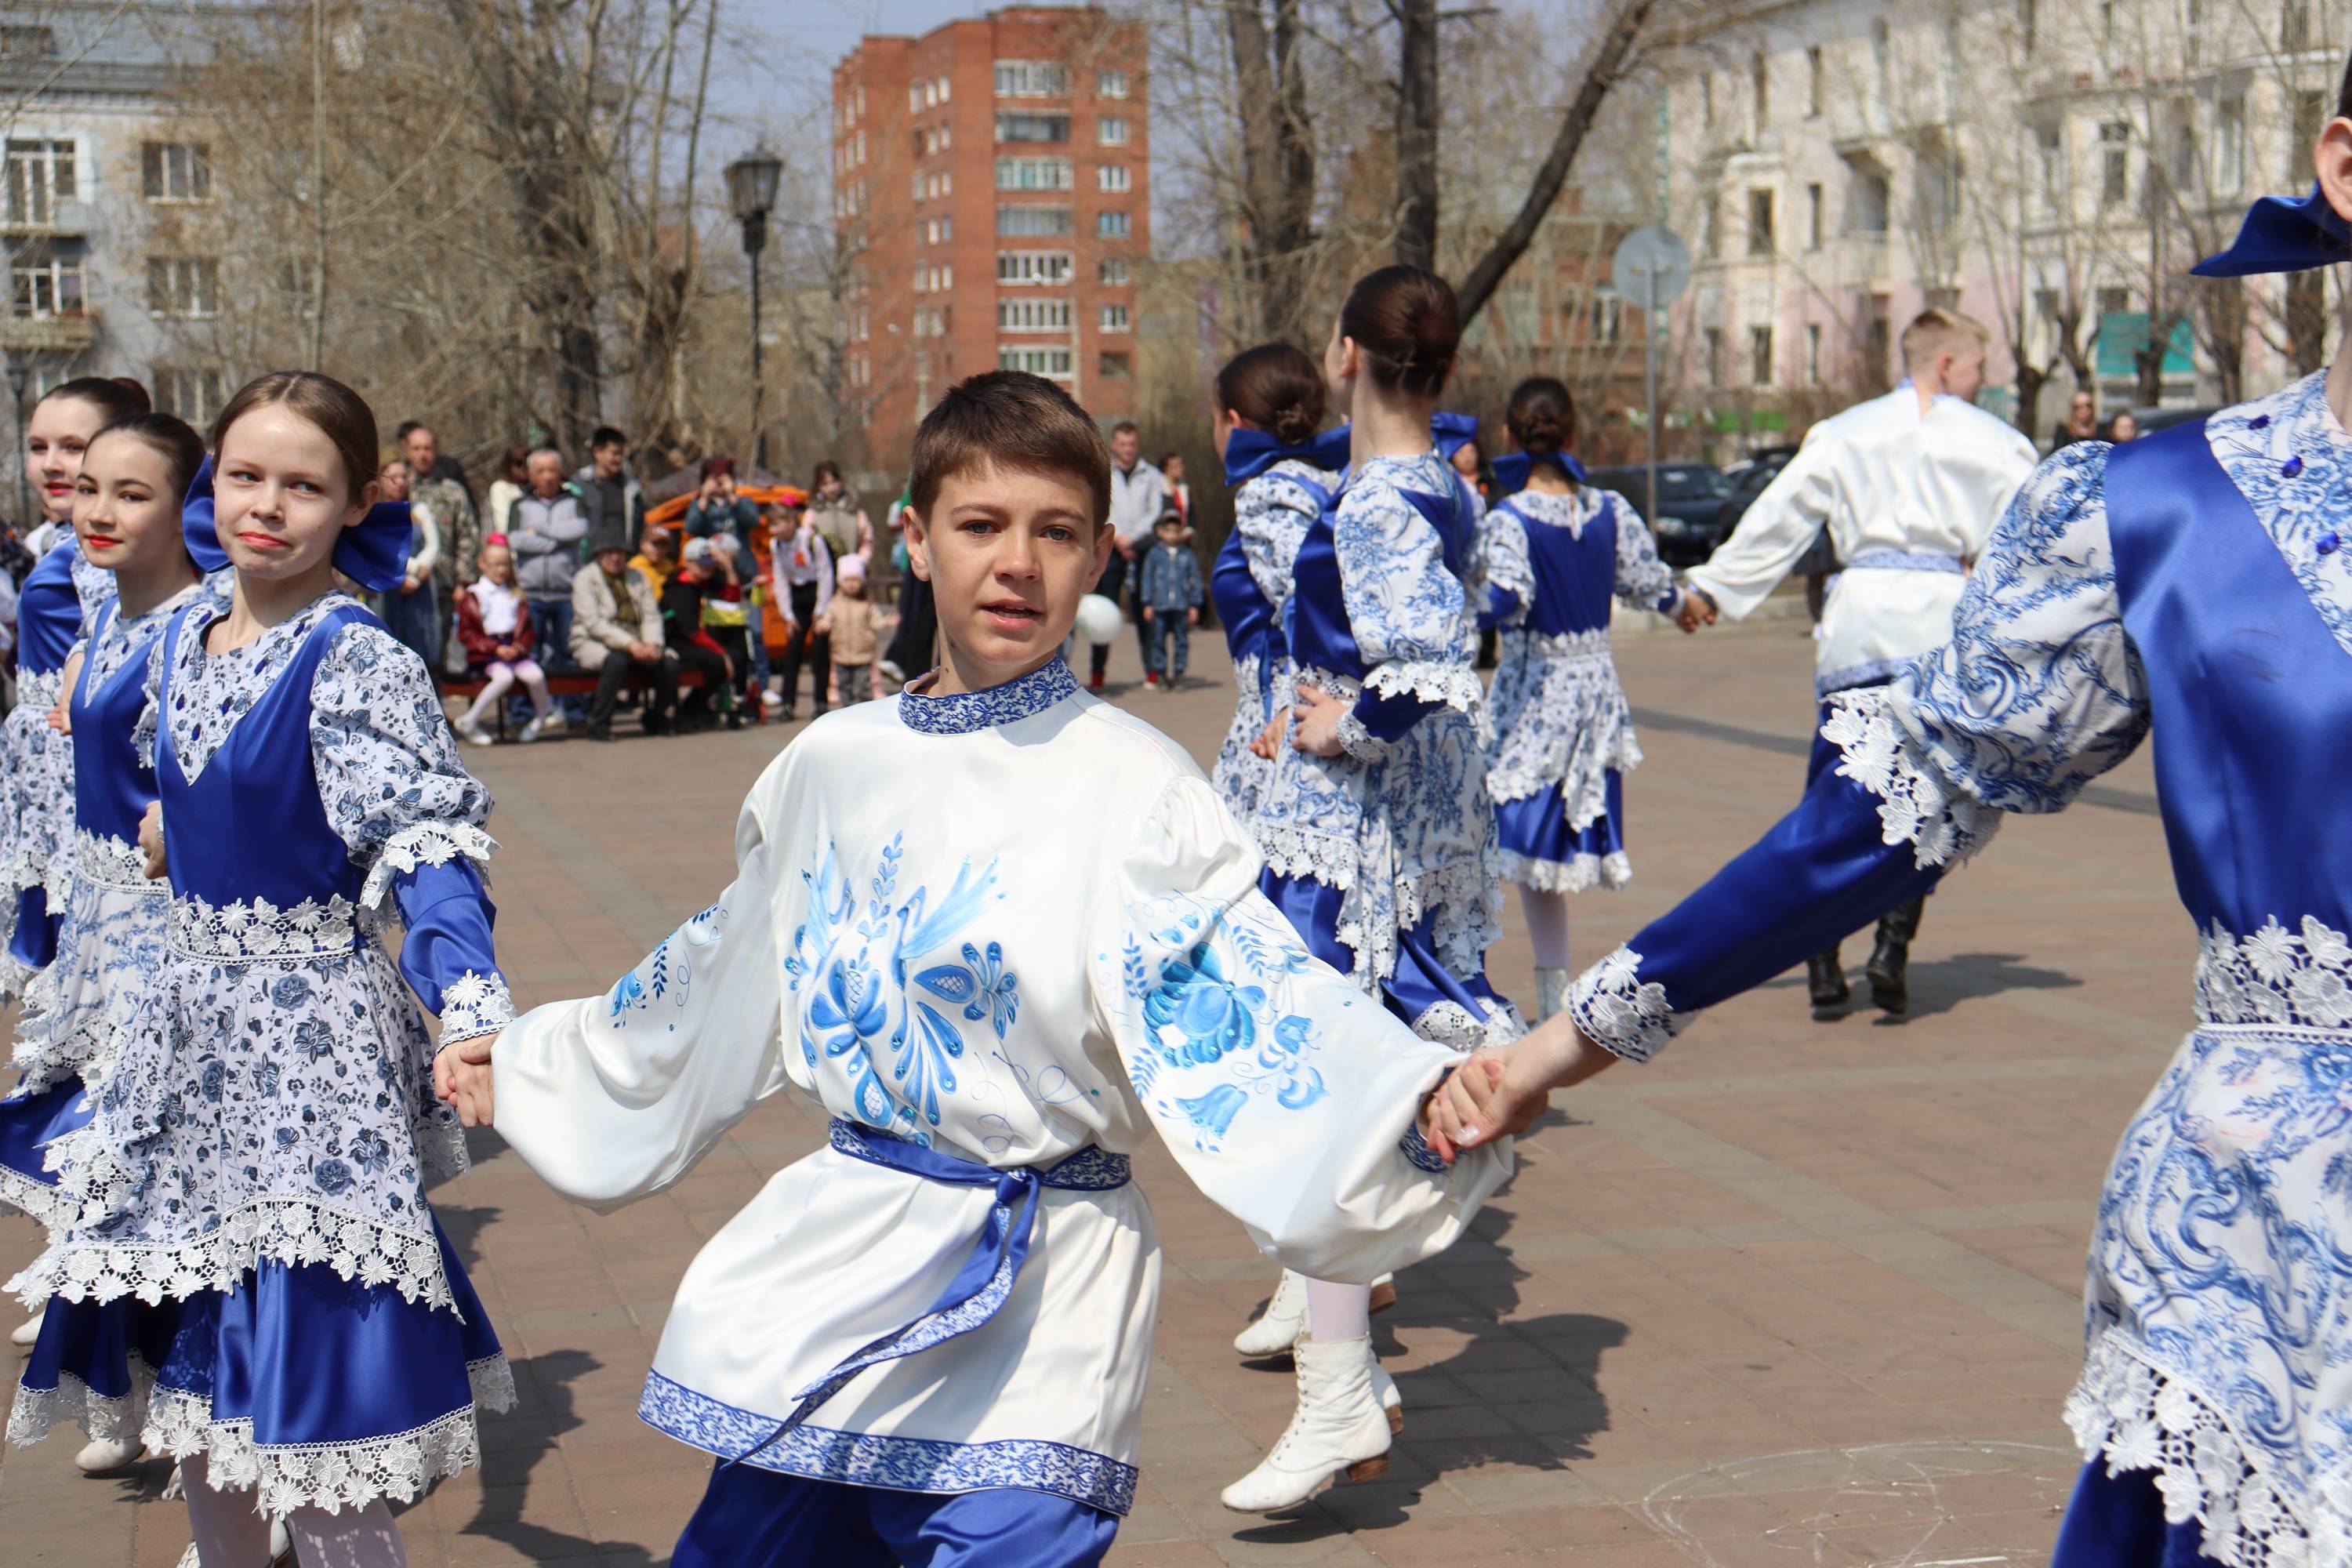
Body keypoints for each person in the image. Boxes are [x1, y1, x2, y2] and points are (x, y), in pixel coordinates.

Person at [1433, 110, 2352, 1568]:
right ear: (2346, 167)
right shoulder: (2169, 513)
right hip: (2272, 1251)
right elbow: (1883, 812)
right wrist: (1571, 1037)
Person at [439, 368, 1511, 1568]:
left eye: (1056, 532)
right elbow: (711, 972)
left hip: (1051, 1286)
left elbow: (1249, 985)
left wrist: (1411, 1097)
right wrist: (529, 1063)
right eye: (981, 525)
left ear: (1099, 553)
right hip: (846, 1267)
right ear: (916, 538)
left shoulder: (1132, 781)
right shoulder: (832, 765)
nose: (1018, 565)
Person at [15, 371, 514, 1565]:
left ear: (355, 505)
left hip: (307, 1052)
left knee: (316, 1396)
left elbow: (422, 838)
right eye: (246, 476)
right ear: (213, 485)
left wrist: (469, 1005)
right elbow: (177, 780)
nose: (269, 506)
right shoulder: (182, 634)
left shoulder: (355, 658)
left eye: (305, 486)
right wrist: (169, 832)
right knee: (204, 1378)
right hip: (185, 1040)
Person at [1225, 266, 1521, 1511]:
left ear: (1347, 353)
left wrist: (1340, 725)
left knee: (1324, 1092)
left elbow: (1425, 666)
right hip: (1394, 820)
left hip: (1360, 830)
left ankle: (1339, 1384)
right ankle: (1338, 1367)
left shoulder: (1384, 500)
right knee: (1331, 1089)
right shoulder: (1433, 484)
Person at [1681, 308, 2037, 1014]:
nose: (1981, 380)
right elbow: (2029, 539)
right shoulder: (1996, 442)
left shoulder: (1845, 432)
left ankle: (1821, 957)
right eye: (1976, 367)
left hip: (1860, 625)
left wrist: (1713, 587)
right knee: (1930, 798)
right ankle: (1891, 949)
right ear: (1946, 366)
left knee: (1837, 789)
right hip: (1938, 628)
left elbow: (1781, 516)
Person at [1, 412, 220, 1473]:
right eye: (89, 486)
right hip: (100, 929)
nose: (95, 508)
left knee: (160, 1175)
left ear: (188, 509)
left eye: (131, 493)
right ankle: (131, 1387)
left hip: (175, 945)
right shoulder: (106, 607)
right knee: (114, 1176)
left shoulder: (206, 627)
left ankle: (242, 1432)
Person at [1478, 377, 1705, 1022]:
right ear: (1574, 433)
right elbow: (1647, 582)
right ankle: (1551, 1000)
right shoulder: (1609, 509)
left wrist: (1448, 611)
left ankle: (1495, 989)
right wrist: (1685, 604)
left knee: (1508, 840)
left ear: (1508, 435)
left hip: (1535, 698)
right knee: (1538, 857)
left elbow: (1505, 596)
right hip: (1594, 694)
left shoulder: (1511, 519)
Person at [0, 377, 149, 1014]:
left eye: (72, 446)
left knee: (86, 962)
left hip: (76, 767)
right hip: (45, 772)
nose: (52, 464)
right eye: (39, 447)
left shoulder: (97, 548)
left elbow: (117, 630)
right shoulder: (61, 539)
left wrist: (81, 675)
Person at [1207, 344, 1343, 837]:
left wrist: (1288, 708)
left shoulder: (1269, 492)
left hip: (1283, 719)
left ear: (1233, 422)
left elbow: (1309, 605)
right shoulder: (1326, 480)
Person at [572, 537, 678, 740]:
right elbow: (593, 624)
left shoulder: (637, 576)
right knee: (616, 662)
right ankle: (599, 724)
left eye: (620, 553)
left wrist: (652, 643)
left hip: (638, 640)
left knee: (669, 665)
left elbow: (651, 615)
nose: (615, 558)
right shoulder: (584, 578)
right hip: (594, 641)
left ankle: (656, 718)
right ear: (598, 555)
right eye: (609, 553)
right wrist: (630, 644)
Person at [1090, 420, 1168, 691]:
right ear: (1114, 445)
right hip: (1111, 547)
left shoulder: (1152, 475)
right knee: (1105, 610)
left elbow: (1155, 511)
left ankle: (1153, 671)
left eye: (1132, 444)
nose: (1127, 449)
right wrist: (1119, 537)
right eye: (1122, 444)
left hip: (1141, 549)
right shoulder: (1103, 472)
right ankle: (1097, 672)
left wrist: (1132, 539)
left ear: (1138, 445)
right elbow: (1101, 507)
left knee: (1145, 611)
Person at [455, 540, 557, 745]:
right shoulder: (474, 595)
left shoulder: (515, 594)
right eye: (495, 565)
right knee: (504, 678)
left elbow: (528, 630)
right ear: (482, 564)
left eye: (505, 564)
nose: (501, 570)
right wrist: (495, 648)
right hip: (487, 653)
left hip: (514, 648)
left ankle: (539, 720)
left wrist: (519, 646)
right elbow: (467, 634)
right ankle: (470, 720)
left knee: (536, 676)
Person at [399, 422, 480, 662]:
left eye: (427, 448)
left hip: (443, 584)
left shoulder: (452, 491)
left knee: (436, 652)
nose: (422, 455)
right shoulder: (400, 487)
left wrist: (463, 581)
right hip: (403, 583)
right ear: (406, 450)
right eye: (416, 449)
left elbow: (468, 535)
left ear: (435, 451)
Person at [510, 445, 587, 675]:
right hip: (531, 594)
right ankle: (532, 701)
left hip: (567, 594)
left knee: (568, 655)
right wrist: (560, 539)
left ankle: (570, 700)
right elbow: (516, 540)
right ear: (531, 475)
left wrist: (540, 529)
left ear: (560, 472)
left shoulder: (574, 501)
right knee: (530, 655)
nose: (547, 476)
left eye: (552, 470)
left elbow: (580, 529)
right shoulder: (519, 504)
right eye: (541, 471)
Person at [658, 536, 739, 731]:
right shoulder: (679, 588)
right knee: (717, 661)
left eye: (710, 564)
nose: (707, 568)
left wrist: (727, 567)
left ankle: (700, 708)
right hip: (675, 642)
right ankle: (690, 709)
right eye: (701, 564)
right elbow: (691, 632)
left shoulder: (705, 582)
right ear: (688, 563)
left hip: (694, 642)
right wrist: (722, 654)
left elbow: (733, 597)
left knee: (736, 657)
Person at [376, 456, 442, 675]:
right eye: (393, 477)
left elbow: (433, 545)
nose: (400, 482)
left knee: (421, 644)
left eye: (404, 477)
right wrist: (411, 569)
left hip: (419, 589)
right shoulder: (376, 512)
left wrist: (416, 578)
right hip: (389, 587)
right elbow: (383, 549)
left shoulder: (419, 510)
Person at [772, 499, 834, 720]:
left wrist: (821, 609)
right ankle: (787, 703)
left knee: (820, 650)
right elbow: (780, 578)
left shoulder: (812, 540)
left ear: (791, 522)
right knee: (793, 651)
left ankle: (821, 702)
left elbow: (826, 574)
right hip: (797, 596)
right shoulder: (776, 545)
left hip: (817, 592)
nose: (773, 530)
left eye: (776, 524)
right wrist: (787, 614)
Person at [1137, 509, 1202, 689]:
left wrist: (1194, 604)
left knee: (1181, 640)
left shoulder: (1187, 555)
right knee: (1158, 640)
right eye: (1168, 530)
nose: (1172, 535)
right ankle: (1160, 673)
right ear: (1160, 531)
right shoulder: (1154, 554)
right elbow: (1147, 579)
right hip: (1159, 605)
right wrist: (1147, 603)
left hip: (1181, 604)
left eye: (1176, 531)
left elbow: (1194, 579)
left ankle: (1179, 672)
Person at [824, 554, 893, 704]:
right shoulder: (834, 604)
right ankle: (846, 710)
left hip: (863, 655)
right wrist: (823, 625)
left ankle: (864, 709)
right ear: (840, 582)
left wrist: (886, 622)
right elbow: (827, 619)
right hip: (841, 655)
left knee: (863, 687)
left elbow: (875, 622)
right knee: (844, 686)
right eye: (847, 580)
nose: (851, 584)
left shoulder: (866, 604)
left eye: (855, 580)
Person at [578, 423, 647, 560]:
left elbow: (640, 525)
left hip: (625, 559)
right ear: (597, 452)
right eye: (615, 453)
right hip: (590, 560)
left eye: (622, 454)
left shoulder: (631, 487)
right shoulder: (580, 484)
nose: (619, 459)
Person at [685, 455, 758, 573]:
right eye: (714, 479)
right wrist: (704, 497)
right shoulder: (698, 504)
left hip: (742, 565)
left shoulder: (743, 501)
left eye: (723, 479)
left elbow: (753, 522)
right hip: (710, 566)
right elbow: (691, 528)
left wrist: (732, 496)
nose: (718, 483)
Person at [482, 443, 529, 554]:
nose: (523, 468)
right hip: (514, 552)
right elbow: (504, 526)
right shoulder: (501, 488)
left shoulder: (538, 489)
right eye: (518, 463)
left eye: (527, 464)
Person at [630, 522, 677, 596]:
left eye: (664, 545)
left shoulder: (669, 567)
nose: (659, 550)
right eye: (655, 544)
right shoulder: (633, 567)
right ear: (642, 544)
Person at [2052, 386, 2100, 451]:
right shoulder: (2064, 432)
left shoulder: (2100, 431)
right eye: (2078, 407)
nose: (2084, 410)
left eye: (2088, 406)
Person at [1160, 452, 1192, 523]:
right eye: (1176, 466)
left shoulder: (1184, 489)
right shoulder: (1158, 489)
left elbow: (1190, 514)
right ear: (1166, 468)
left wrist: (1189, 528)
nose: (1181, 468)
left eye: (1181, 465)